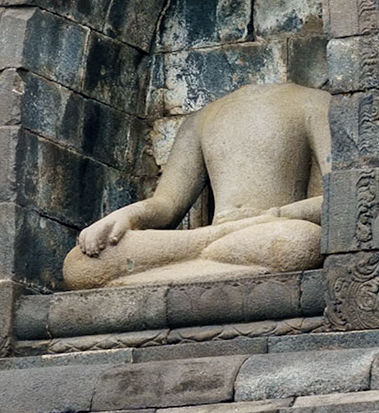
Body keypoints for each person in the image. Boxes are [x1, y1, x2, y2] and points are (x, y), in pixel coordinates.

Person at [64, 81, 330, 289]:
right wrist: (125, 216)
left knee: (298, 243)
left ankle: (172, 273)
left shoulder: (316, 103)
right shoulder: (200, 119)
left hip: (268, 230)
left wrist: (273, 216)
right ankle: (211, 257)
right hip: (216, 238)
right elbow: (167, 205)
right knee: (80, 265)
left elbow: (337, 200)